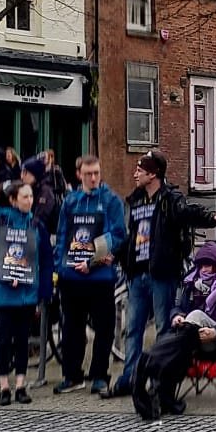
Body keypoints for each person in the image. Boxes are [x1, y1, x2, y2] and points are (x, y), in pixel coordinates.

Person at [113, 151, 216, 400]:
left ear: (153, 174)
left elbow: (187, 211)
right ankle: (130, 378)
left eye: (140, 169)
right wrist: (117, 254)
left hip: (162, 273)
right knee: (133, 329)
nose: (135, 173)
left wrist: (211, 217)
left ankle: (159, 381)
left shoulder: (170, 199)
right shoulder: (136, 200)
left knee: (163, 328)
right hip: (137, 274)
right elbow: (131, 234)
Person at [135, 242, 216, 421]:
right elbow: (177, 306)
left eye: (208, 265)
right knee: (182, 342)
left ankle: (153, 365)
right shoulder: (189, 281)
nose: (204, 269)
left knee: (192, 320)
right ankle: (164, 395)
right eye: (201, 265)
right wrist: (176, 316)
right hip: (191, 337)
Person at [54, 154, 127, 395]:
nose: (93, 178)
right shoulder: (70, 202)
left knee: (104, 328)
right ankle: (72, 375)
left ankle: (99, 375)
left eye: (96, 173)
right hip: (71, 277)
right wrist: (61, 267)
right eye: (88, 174)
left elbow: (118, 235)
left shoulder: (110, 201)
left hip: (100, 277)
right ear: (79, 175)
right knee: (71, 328)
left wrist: (93, 261)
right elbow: (63, 235)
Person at [0, 178, 52, 406]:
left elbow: (46, 259)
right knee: (3, 340)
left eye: (31, 196)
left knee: (23, 340)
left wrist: (44, 292)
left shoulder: (36, 226)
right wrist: (2, 274)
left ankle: (21, 385)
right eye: (25, 197)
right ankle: (4, 387)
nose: (30, 201)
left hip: (26, 293)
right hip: (3, 293)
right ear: (13, 200)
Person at [21, 153, 62, 234]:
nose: (22, 177)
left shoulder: (45, 191)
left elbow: (40, 218)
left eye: (25, 173)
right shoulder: (33, 188)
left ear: (34, 174)